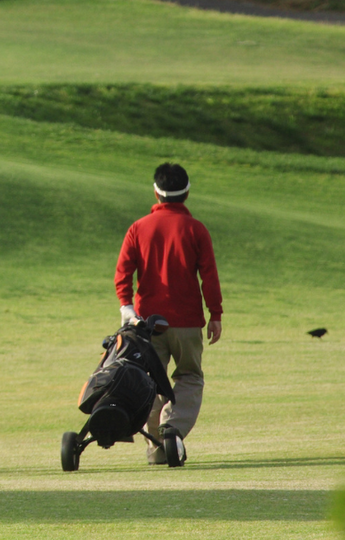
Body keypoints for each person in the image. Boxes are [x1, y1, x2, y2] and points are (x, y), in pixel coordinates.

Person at [114, 163, 223, 465]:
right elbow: (209, 276)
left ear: (156, 192)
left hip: (148, 324)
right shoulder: (196, 229)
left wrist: (126, 306)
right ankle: (173, 429)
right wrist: (215, 313)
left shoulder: (138, 228)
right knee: (190, 376)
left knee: (151, 382)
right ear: (187, 192)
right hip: (187, 322)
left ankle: (158, 451)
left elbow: (123, 273)